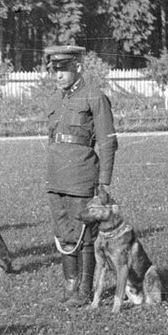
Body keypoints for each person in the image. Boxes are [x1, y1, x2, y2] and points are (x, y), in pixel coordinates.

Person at [43, 44, 117, 307]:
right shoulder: (55, 99)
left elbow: (108, 142)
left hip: (81, 175)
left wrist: (104, 181)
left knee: (84, 234)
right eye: (54, 70)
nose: (58, 75)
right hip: (56, 177)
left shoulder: (94, 97)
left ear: (78, 67)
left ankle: (85, 290)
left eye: (63, 69)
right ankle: (69, 286)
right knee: (63, 233)